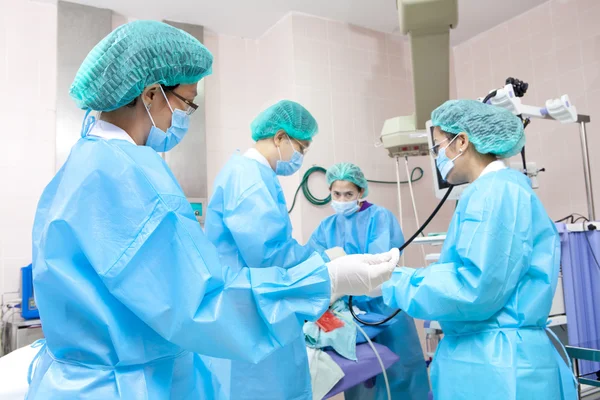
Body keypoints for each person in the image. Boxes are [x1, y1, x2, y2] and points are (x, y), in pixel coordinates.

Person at [28, 21, 399, 399]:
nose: (186, 116)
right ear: (151, 93)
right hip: (125, 387)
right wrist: (325, 279)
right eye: (187, 103)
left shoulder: (84, 165)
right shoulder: (124, 174)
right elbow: (201, 302)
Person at [381, 100, 577, 400]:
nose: (437, 157)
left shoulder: (497, 193)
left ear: (462, 141)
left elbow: (475, 288)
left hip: (500, 368)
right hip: (492, 360)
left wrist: (392, 280)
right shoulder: (492, 192)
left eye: (438, 147)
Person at [203, 100, 400, 400]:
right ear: (280, 137)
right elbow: (270, 255)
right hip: (250, 315)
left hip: (260, 309)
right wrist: (326, 263)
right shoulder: (249, 179)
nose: (301, 157)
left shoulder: (257, 176)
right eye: (302, 147)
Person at [308, 162, 430, 400]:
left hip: (383, 305)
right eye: (336, 194)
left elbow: (379, 264)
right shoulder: (326, 227)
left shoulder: (379, 218)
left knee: (399, 372)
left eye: (349, 194)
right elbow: (315, 263)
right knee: (361, 377)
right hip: (348, 311)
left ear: (360, 192)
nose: (342, 199)